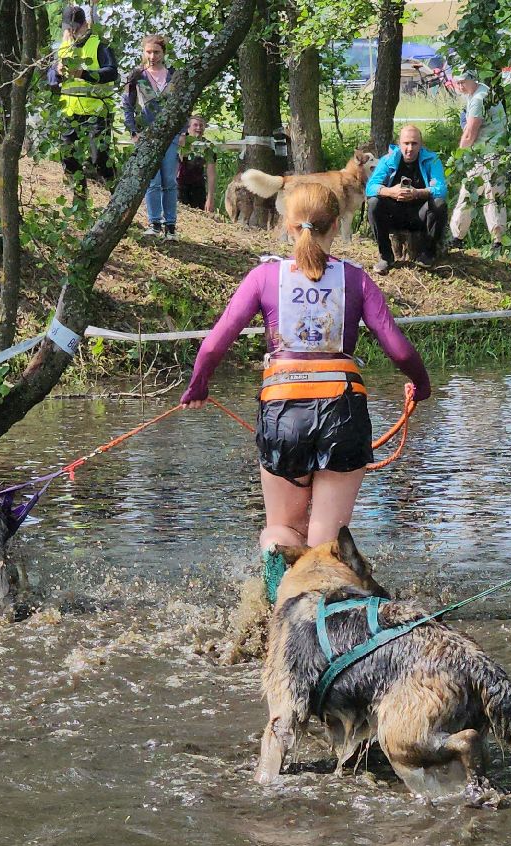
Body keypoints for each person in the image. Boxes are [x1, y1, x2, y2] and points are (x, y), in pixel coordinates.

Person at [179, 184, 431, 596]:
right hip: (343, 411)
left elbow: (213, 343)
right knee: (325, 541)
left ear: (286, 225)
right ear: (336, 226)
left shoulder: (264, 276)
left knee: (281, 530)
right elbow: (398, 347)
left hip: (282, 413)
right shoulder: (355, 278)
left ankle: (276, 614)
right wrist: (420, 386)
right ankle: (326, 619)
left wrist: (198, 386)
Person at [363, 123, 447, 273]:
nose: (410, 148)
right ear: (399, 144)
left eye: (414, 144)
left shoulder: (432, 159)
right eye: (406, 143)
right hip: (394, 215)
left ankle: (428, 254)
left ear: (421, 144)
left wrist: (418, 193)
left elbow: (441, 189)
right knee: (374, 202)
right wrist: (390, 192)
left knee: (439, 203)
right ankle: (386, 257)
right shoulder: (388, 160)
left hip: (421, 215)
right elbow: (370, 188)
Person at [51, 4, 118, 195]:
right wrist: (56, 74)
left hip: (97, 112)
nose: (72, 31)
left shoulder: (100, 45)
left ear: (85, 24)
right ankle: (80, 198)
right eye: (68, 27)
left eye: (75, 27)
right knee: (68, 156)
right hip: (70, 112)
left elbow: (111, 72)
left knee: (99, 159)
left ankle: (118, 196)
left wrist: (83, 73)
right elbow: (51, 78)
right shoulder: (63, 47)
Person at [122, 33, 177, 240]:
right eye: (148, 52)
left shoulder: (173, 75)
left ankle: (171, 226)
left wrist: (181, 132)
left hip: (170, 134)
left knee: (169, 180)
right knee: (152, 180)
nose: (152, 56)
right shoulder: (137, 76)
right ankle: (154, 223)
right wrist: (133, 131)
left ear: (163, 53)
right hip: (146, 135)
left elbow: (182, 106)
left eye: (156, 52)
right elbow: (127, 104)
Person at [447, 69, 505, 255]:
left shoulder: (479, 100)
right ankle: (496, 241)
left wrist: (459, 157)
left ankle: (459, 238)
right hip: (492, 152)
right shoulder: (483, 91)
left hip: (487, 154)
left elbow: (470, 132)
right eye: (458, 82)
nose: (460, 86)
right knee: (491, 195)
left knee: (476, 194)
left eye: (463, 82)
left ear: (473, 79)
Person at [176, 114, 215, 215]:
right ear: (188, 127)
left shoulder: (208, 146)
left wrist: (210, 198)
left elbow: (211, 174)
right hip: (180, 186)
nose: (198, 128)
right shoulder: (180, 142)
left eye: (201, 125)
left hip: (198, 187)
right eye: (195, 125)